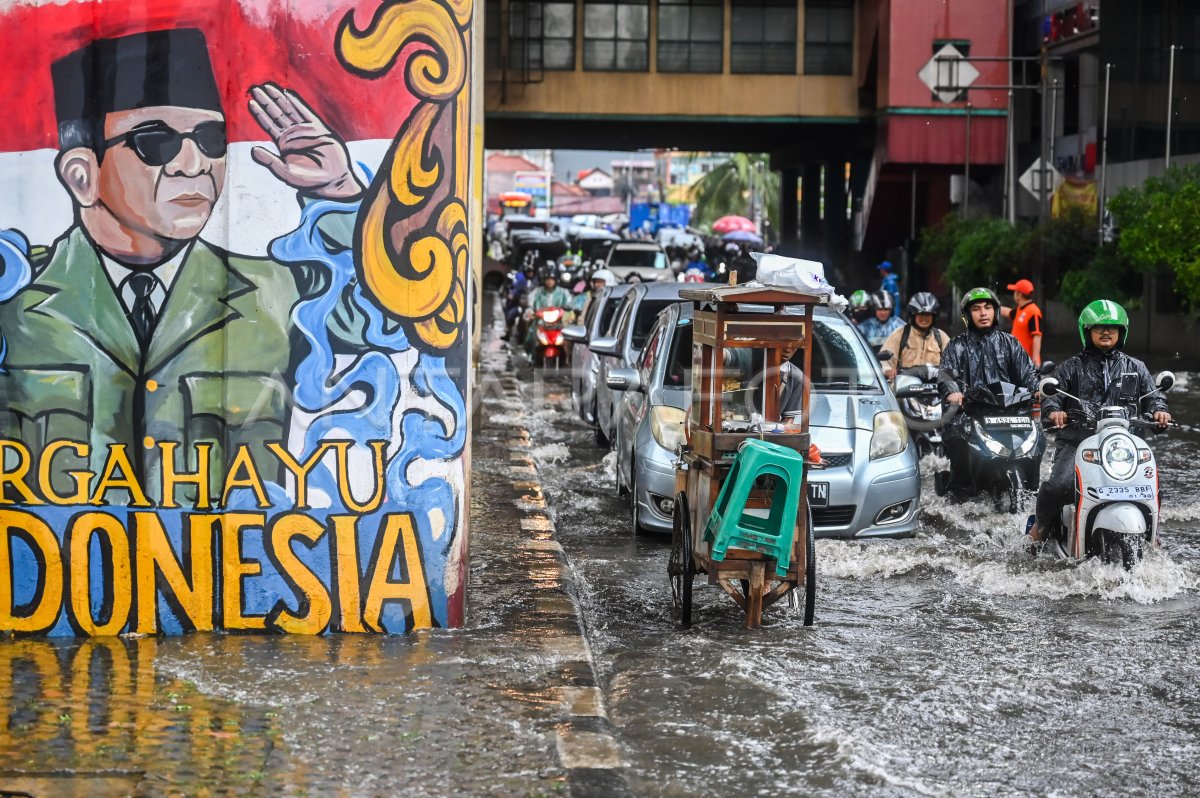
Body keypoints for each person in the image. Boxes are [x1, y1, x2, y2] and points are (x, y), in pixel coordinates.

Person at [0, 28, 366, 501]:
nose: (193, 163)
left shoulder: (273, 292)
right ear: (81, 175)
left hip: (224, 570)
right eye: (156, 142)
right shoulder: (15, 297)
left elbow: (379, 319)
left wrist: (336, 194)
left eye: (212, 139)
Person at [1028, 300, 1171, 548]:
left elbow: (1154, 396)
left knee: (1154, 486)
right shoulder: (1071, 367)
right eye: (1099, 327)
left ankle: (1152, 533)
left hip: (1123, 447)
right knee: (1057, 487)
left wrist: (1160, 411)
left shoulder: (1136, 367)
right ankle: (1040, 530)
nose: (1106, 332)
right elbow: (1053, 397)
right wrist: (1055, 412)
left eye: (1113, 328)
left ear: (1122, 332)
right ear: (1087, 331)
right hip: (1077, 443)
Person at [937, 287, 1039, 495]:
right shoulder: (956, 347)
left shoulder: (1010, 343)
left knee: (1039, 439)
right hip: (971, 414)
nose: (983, 313)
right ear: (967, 315)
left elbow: (1028, 374)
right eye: (976, 309)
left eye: (988, 308)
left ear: (995, 311)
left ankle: (1033, 489)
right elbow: (947, 376)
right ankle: (959, 493)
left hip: (1010, 414)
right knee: (957, 440)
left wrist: (1038, 390)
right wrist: (953, 392)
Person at [879, 292, 949, 379]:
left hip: (936, 387)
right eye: (920, 314)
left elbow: (952, 363)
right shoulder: (900, 334)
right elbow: (884, 362)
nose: (924, 318)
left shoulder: (941, 337)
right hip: (904, 386)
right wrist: (888, 370)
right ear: (913, 315)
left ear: (934, 316)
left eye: (928, 314)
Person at [1000, 278, 1044, 367]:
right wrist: (992, 307)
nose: (1014, 294)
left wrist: (1035, 362)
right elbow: (1008, 312)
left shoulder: (1033, 311)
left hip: (1027, 362)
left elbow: (1037, 336)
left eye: (1015, 292)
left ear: (1019, 295)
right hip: (1017, 359)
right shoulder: (1020, 309)